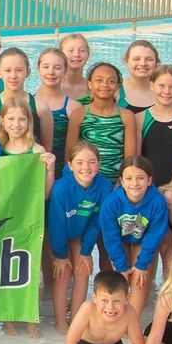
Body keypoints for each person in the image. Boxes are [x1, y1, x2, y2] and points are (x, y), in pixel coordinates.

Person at [46, 141, 111, 330]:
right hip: (57, 233)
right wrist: (60, 256)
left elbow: (96, 221)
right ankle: (60, 323)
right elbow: (56, 225)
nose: (86, 167)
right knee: (63, 272)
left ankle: (77, 320)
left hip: (79, 233)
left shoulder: (104, 186)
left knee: (83, 270)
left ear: (98, 164)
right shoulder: (61, 188)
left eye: (91, 162)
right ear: (70, 165)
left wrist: (85, 251)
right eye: (80, 162)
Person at [101, 157, 171, 298]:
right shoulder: (111, 202)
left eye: (140, 178)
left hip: (142, 238)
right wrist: (120, 266)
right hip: (121, 239)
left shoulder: (157, 201)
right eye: (129, 178)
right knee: (120, 280)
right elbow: (111, 238)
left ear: (149, 181)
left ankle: (137, 316)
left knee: (139, 281)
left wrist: (142, 264)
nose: (135, 183)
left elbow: (154, 234)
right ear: (121, 181)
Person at [66, 271, 142, 344]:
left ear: (127, 299)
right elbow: (71, 341)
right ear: (94, 297)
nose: (110, 307)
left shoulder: (129, 312)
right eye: (104, 300)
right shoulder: (87, 308)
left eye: (116, 301)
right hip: (86, 343)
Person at [68, 62, 135, 181]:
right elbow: (70, 154)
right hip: (85, 180)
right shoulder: (79, 115)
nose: (105, 84)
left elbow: (129, 159)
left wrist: (121, 183)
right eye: (99, 80)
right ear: (90, 84)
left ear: (118, 86)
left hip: (116, 182)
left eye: (111, 81)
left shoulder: (126, 116)